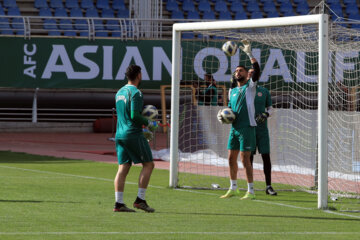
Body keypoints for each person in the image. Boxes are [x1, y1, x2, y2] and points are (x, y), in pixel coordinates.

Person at [217, 40, 260, 200]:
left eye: (240, 70)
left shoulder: (250, 87)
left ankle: (251, 190)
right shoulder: (232, 91)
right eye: (236, 71)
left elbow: (256, 71)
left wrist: (249, 54)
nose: (238, 72)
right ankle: (233, 188)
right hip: (234, 128)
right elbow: (230, 110)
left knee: (245, 159)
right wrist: (223, 116)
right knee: (230, 158)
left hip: (247, 127)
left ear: (245, 74)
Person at [113, 64, 157, 213]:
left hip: (119, 134)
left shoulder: (119, 92)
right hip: (132, 134)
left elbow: (124, 115)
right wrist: (149, 123)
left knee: (123, 168)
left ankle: (119, 203)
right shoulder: (136, 93)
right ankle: (140, 200)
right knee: (149, 164)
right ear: (138, 75)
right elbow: (134, 115)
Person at [248, 68, 277, 196]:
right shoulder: (242, 91)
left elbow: (271, 109)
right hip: (248, 129)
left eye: (253, 73)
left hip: (262, 129)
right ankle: (250, 186)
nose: (251, 74)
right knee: (249, 158)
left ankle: (268, 186)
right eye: (249, 73)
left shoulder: (264, 91)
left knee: (266, 156)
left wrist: (266, 114)